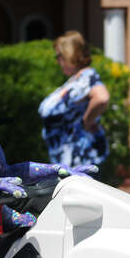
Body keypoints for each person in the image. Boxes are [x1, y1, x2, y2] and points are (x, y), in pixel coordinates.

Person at [38, 31, 110, 169]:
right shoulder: (75, 80)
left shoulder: (87, 76)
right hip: (67, 160)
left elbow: (102, 97)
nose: (58, 60)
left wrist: (87, 121)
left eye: (59, 56)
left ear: (69, 53)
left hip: (80, 159)